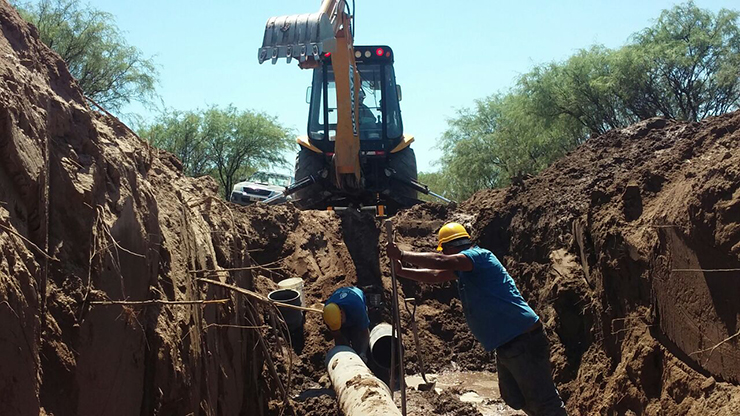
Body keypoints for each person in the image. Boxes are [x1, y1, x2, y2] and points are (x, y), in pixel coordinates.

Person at [386, 222, 567, 416]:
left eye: (445, 250)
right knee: (515, 398)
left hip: (523, 340)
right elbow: (436, 274)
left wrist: (402, 255)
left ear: (451, 247)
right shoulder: (466, 268)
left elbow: (441, 261)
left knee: (544, 402)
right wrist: (402, 271)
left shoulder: (479, 257)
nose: (445, 254)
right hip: (508, 343)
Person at [323, 286, 371, 362]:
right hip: (341, 297)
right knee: (341, 345)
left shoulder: (357, 309)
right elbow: (337, 335)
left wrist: (363, 353)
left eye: (341, 322)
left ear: (341, 313)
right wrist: (349, 353)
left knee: (357, 339)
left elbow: (364, 332)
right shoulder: (329, 314)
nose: (341, 324)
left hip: (355, 299)